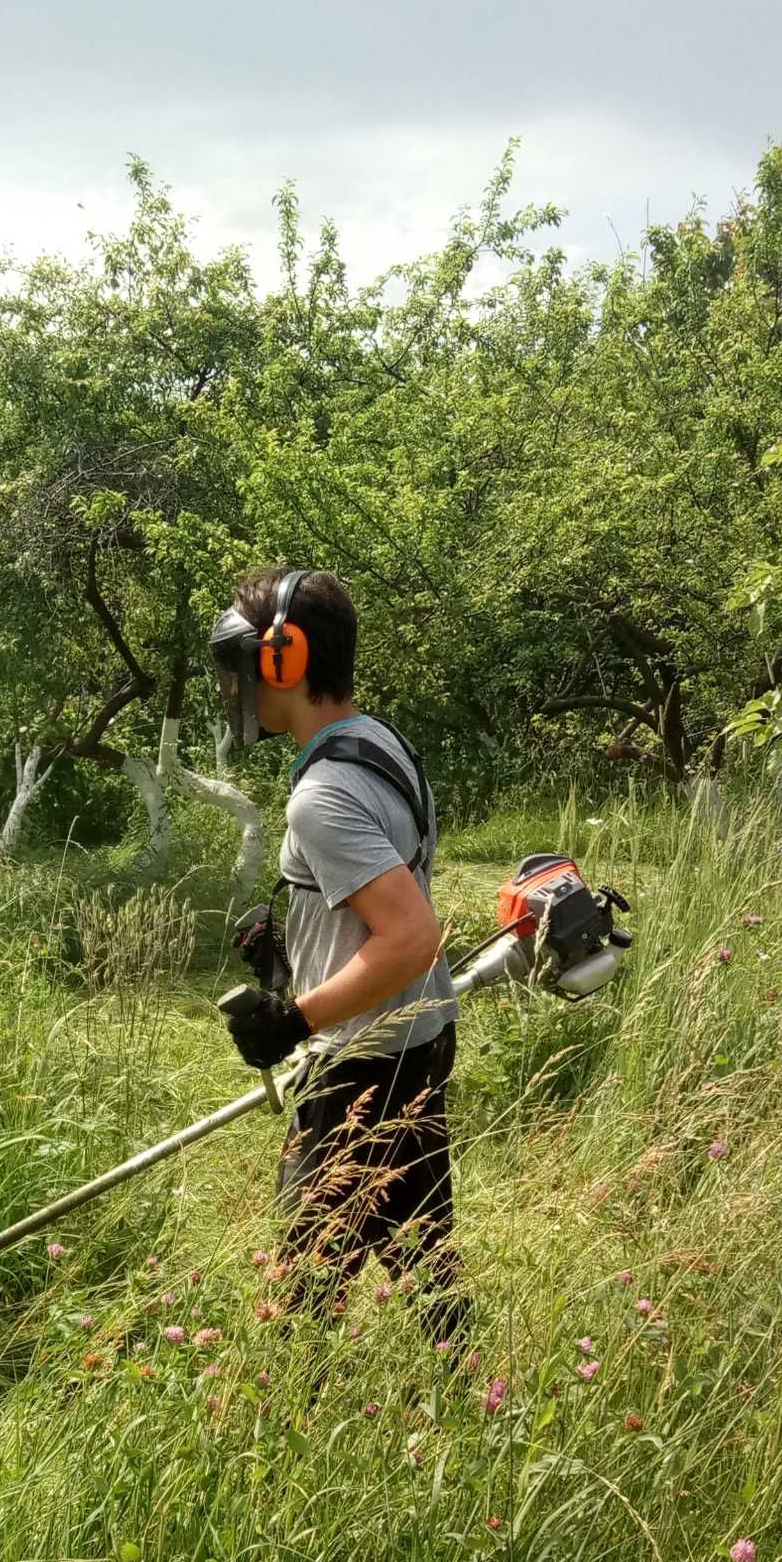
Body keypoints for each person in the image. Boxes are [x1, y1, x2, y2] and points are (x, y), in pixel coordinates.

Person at [208, 566, 466, 1339]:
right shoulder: (377, 742)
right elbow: (383, 900)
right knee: (426, 1261)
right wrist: (291, 941)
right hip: (417, 1037)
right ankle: (476, 1406)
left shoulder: (321, 795)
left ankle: (295, 1431)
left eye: (241, 667)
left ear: (284, 660)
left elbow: (411, 937)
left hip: (361, 1061)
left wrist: (295, 1017)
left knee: (303, 1287)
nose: (236, 690)